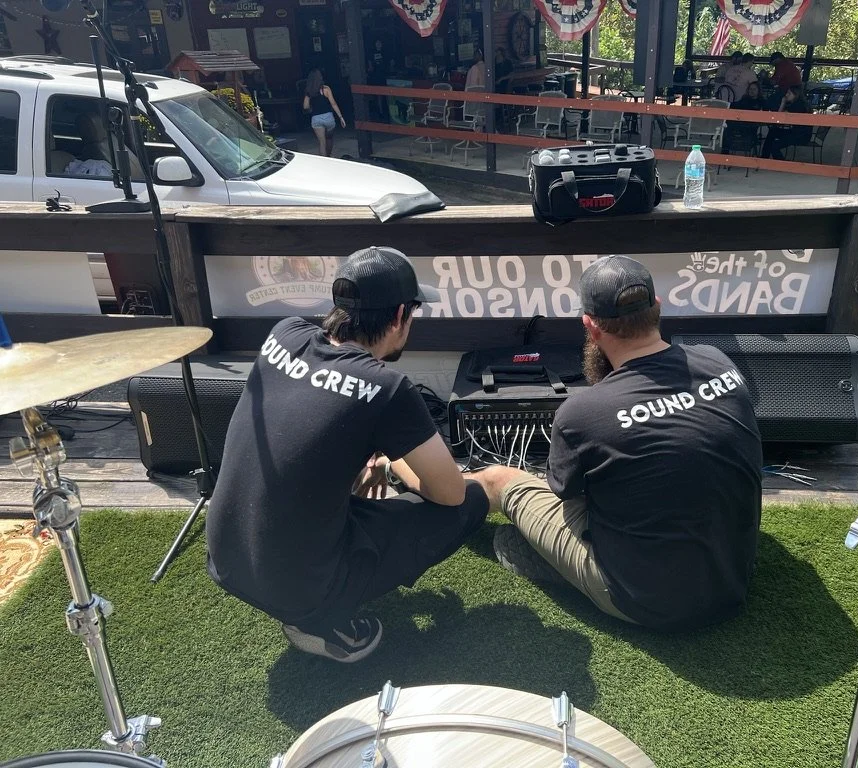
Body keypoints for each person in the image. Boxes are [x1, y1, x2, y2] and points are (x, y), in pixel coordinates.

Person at [207, 246, 489, 663]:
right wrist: (392, 465)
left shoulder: (284, 333)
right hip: (300, 588)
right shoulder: (387, 388)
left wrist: (371, 452)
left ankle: (308, 594)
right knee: (472, 501)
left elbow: (311, 419)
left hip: (227, 558)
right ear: (400, 316)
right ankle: (321, 622)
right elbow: (450, 493)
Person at [471, 256, 763, 631]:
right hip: (735, 579)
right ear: (657, 308)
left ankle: (415, 483)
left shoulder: (581, 412)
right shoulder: (718, 361)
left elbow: (566, 495)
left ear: (590, 326)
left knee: (500, 479)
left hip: (642, 604)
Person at [760, 85, 811, 161]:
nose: (786, 95)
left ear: (796, 95)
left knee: (774, 146)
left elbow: (779, 118)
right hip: (797, 132)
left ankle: (781, 163)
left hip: (800, 135)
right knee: (773, 132)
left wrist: (783, 102)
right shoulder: (798, 104)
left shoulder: (798, 106)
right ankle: (764, 158)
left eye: (789, 93)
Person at [302, 69, 346, 157]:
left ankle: (324, 160)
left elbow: (305, 106)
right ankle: (329, 156)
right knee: (329, 138)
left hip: (316, 118)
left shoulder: (309, 91)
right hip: (328, 117)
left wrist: (311, 108)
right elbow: (333, 104)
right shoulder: (326, 89)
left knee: (322, 142)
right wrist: (341, 117)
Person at [723, 81, 766, 154]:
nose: (752, 91)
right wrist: (726, 105)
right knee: (727, 124)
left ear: (758, 91)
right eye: (750, 89)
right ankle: (725, 151)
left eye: (754, 89)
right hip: (740, 124)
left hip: (751, 126)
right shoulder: (745, 99)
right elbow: (735, 105)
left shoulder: (761, 101)